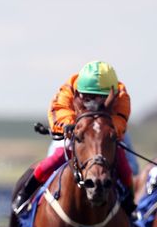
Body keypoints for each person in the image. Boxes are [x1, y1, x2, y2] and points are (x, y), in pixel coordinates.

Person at [12, 61, 134, 214]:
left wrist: (107, 131)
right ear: (79, 92)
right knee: (55, 159)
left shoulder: (121, 95)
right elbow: (59, 109)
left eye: (102, 98)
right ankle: (25, 194)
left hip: (102, 136)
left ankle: (130, 201)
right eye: (90, 97)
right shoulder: (68, 89)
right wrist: (68, 124)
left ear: (112, 94)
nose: (96, 102)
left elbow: (120, 119)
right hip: (77, 134)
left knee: (124, 164)